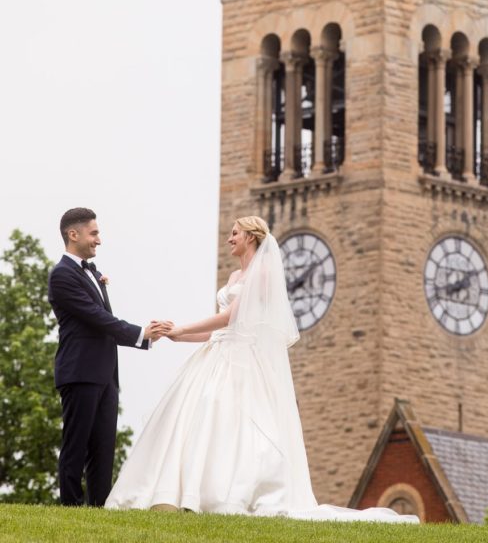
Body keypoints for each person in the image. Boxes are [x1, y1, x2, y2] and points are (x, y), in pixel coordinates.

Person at [105, 216, 417, 522]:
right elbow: (218, 329)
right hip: (219, 353)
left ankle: (226, 493)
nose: (229, 239)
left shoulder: (264, 273)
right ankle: (185, 492)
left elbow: (231, 318)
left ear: (251, 238)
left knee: (230, 418)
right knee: (200, 414)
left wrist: (182, 326)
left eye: (235, 233)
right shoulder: (231, 279)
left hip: (242, 361)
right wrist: (177, 334)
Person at [48, 207, 170, 506]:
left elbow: (104, 322)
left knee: (103, 447)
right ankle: (72, 509)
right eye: (94, 233)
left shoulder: (90, 271)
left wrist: (144, 337)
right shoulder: (62, 275)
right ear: (72, 234)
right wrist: (141, 333)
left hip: (105, 373)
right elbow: (97, 319)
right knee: (76, 446)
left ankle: (99, 507)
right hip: (79, 372)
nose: (99, 240)